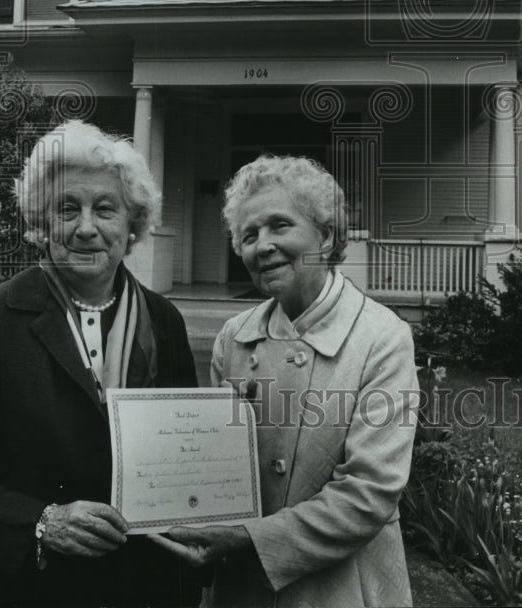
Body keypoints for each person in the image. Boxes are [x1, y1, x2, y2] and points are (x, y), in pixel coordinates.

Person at [0, 120, 204, 608]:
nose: (86, 227)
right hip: (28, 590)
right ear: (42, 226)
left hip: (140, 587)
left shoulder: (163, 320)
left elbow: (185, 459)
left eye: (105, 209)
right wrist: (41, 522)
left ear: (132, 226)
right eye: (67, 209)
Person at [155, 154, 418, 608]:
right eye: (248, 235)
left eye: (280, 226)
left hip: (340, 588)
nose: (262, 246)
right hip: (243, 590)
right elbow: (218, 469)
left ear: (327, 235)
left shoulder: (382, 338)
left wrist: (246, 539)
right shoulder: (234, 337)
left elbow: (368, 493)